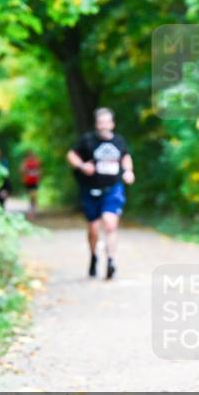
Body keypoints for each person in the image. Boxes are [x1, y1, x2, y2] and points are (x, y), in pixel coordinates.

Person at [67, 107, 135, 280]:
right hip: (90, 190)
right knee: (93, 229)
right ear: (97, 124)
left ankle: (111, 261)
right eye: (100, 122)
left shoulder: (119, 141)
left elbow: (125, 157)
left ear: (112, 124)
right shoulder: (88, 140)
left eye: (107, 122)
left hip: (112, 188)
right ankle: (94, 257)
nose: (104, 125)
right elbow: (71, 155)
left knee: (110, 224)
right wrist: (82, 166)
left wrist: (128, 171)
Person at [19, 150, 42, 218]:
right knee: (31, 196)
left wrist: (39, 176)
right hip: (28, 181)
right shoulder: (25, 162)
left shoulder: (37, 162)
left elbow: (40, 170)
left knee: (33, 196)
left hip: (35, 182)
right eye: (30, 155)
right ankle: (32, 209)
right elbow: (21, 170)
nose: (32, 157)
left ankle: (33, 210)